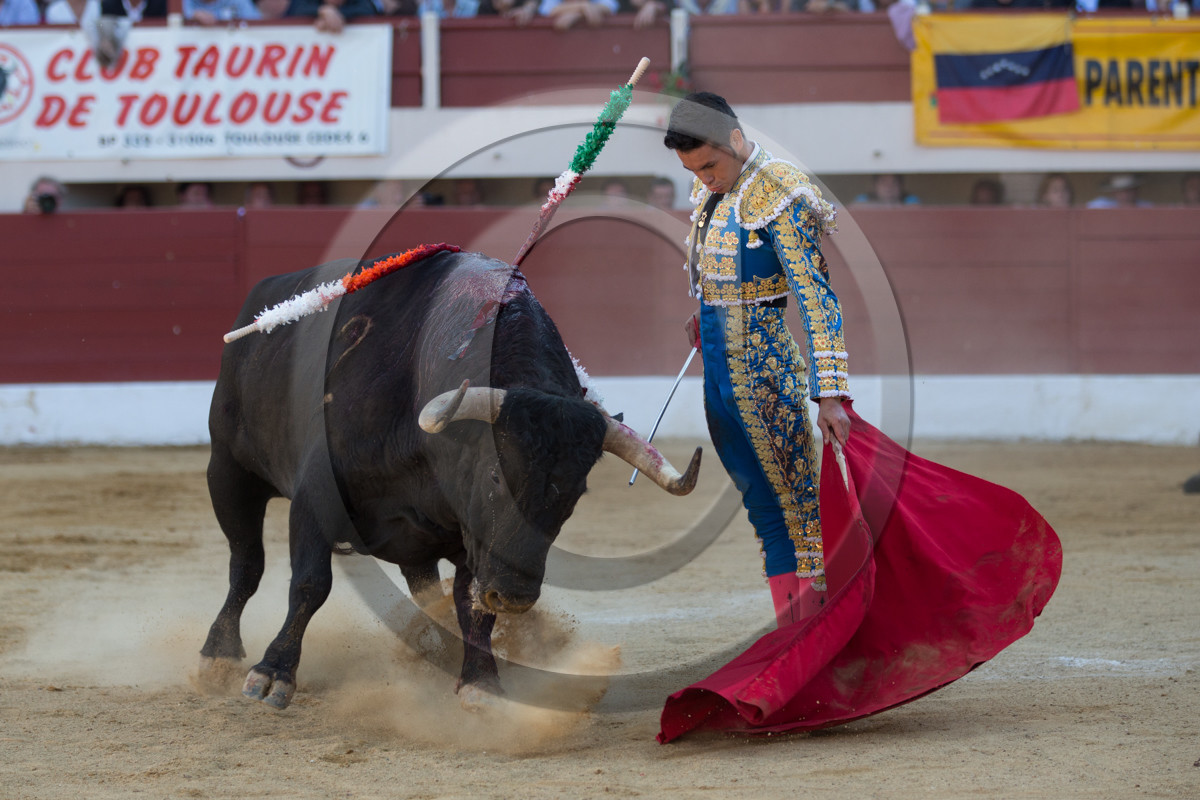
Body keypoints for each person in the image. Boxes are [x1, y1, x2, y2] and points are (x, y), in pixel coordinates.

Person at [664, 91, 850, 628]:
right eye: (693, 169)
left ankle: (817, 638)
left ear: (737, 140)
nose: (704, 178)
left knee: (799, 512)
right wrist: (708, 310)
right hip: (719, 369)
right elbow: (725, 272)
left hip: (765, 369)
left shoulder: (781, 191)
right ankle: (793, 635)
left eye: (709, 164)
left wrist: (830, 394)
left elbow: (817, 298)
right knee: (763, 510)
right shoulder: (712, 192)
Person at [1087, 173, 1151, 208]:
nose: (1126, 194)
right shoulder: (1101, 205)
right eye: (1121, 191)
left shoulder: (1145, 206)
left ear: (1136, 190)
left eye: (1129, 190)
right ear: (1113, 192)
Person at [853, 173, 919, 205]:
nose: (889, 187)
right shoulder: (864, 199)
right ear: (875, 186)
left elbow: (916, 209)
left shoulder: (910, 199)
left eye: (894, 182)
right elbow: (852, 209)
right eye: (883, 182)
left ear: (901, 186)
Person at [184, 0, 261, 23]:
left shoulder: (239, 2)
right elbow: (174, 18)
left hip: (232, 55)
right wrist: (192, 15)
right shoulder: (181, 3)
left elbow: (259, 28)